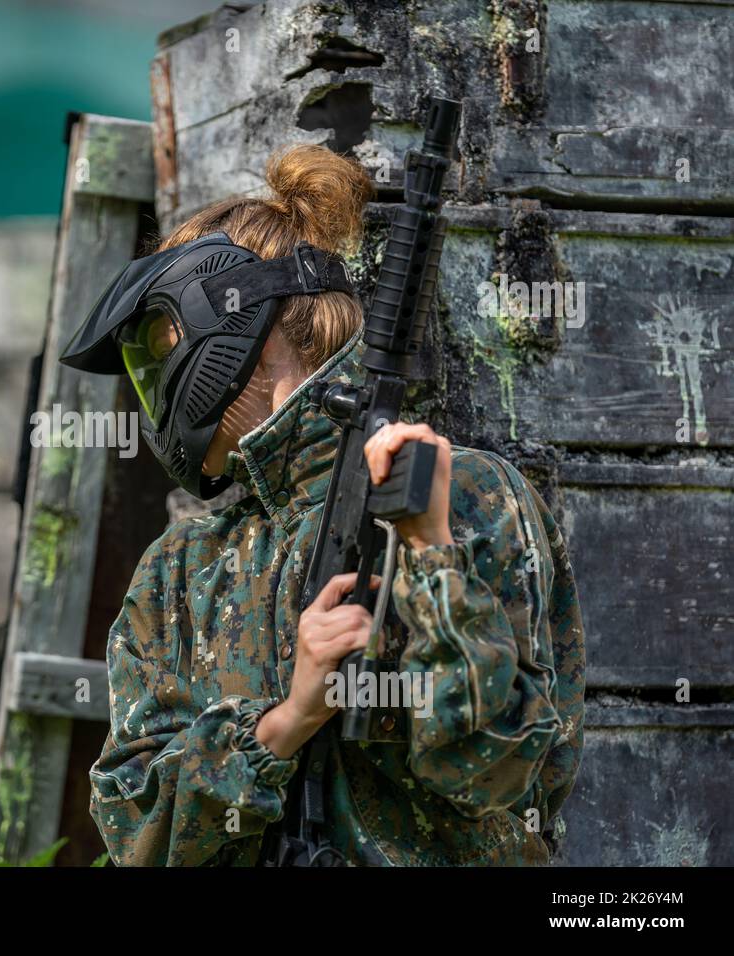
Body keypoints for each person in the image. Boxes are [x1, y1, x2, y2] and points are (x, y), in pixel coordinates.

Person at [59, 144, 585, 866]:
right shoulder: (180, 570)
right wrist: (286, 720)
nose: (155, 393)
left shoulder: (459, 493)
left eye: (159, 345)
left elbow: (501, 775)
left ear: (237, 320)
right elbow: (134, 835)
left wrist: (431, 557)